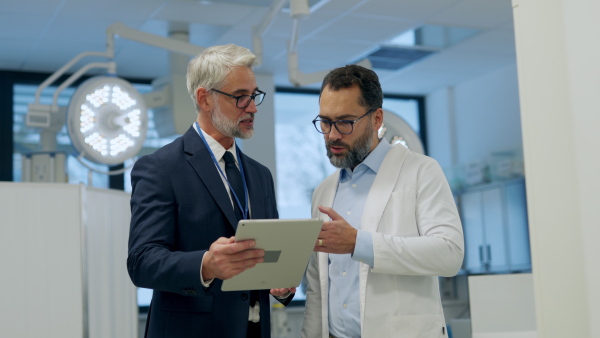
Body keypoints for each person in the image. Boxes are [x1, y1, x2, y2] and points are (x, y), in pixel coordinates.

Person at [127, 44, 294, 338]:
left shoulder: (260, 175)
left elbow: (267, 254)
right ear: (205, 98)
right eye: (241, 97)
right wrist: (205, 264)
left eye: (254, 96)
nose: (253, 108)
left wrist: (281, 282)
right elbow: (142, 262)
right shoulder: (160, 168)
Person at [301, 65, 464, 338]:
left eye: (345, 122)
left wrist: (358, 243)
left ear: (377, 119)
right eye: (325, 122)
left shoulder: (421, 170)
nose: (332, 135)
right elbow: (318, 286)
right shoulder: (324, 191)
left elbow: (449, 255)